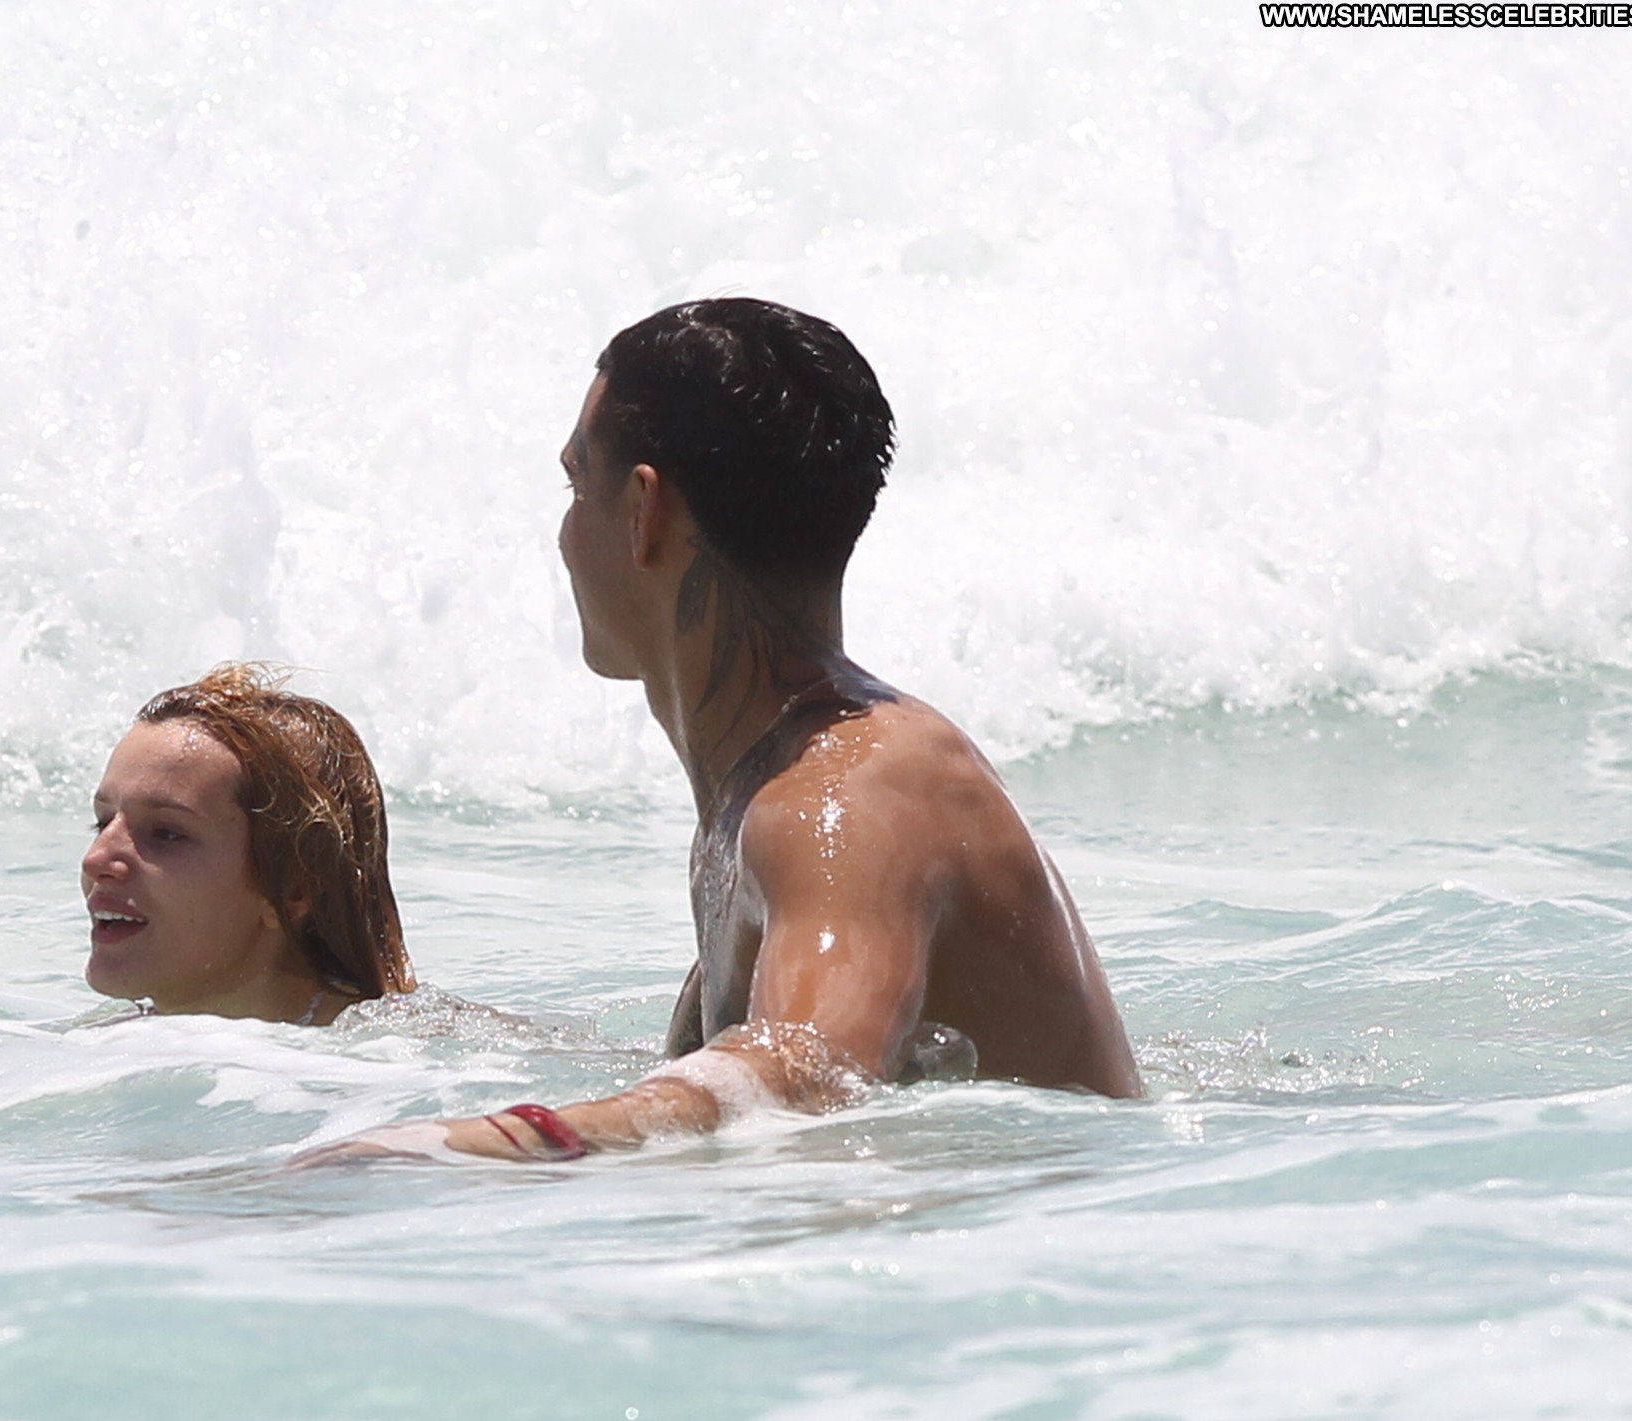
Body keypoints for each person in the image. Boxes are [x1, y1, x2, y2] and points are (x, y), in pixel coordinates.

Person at [296, 297, 1138, 1166]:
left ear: (642, 509)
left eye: (575, 484)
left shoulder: (844, 802)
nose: (564, 532)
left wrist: (441, 1147)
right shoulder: (776, 789)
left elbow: (804, 1075)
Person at [82, 662, 415, 1024]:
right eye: (103, 822)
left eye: (167, 833)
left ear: (296, 889)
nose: (95, 859)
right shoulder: (105, 1038)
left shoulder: (392, 1048)